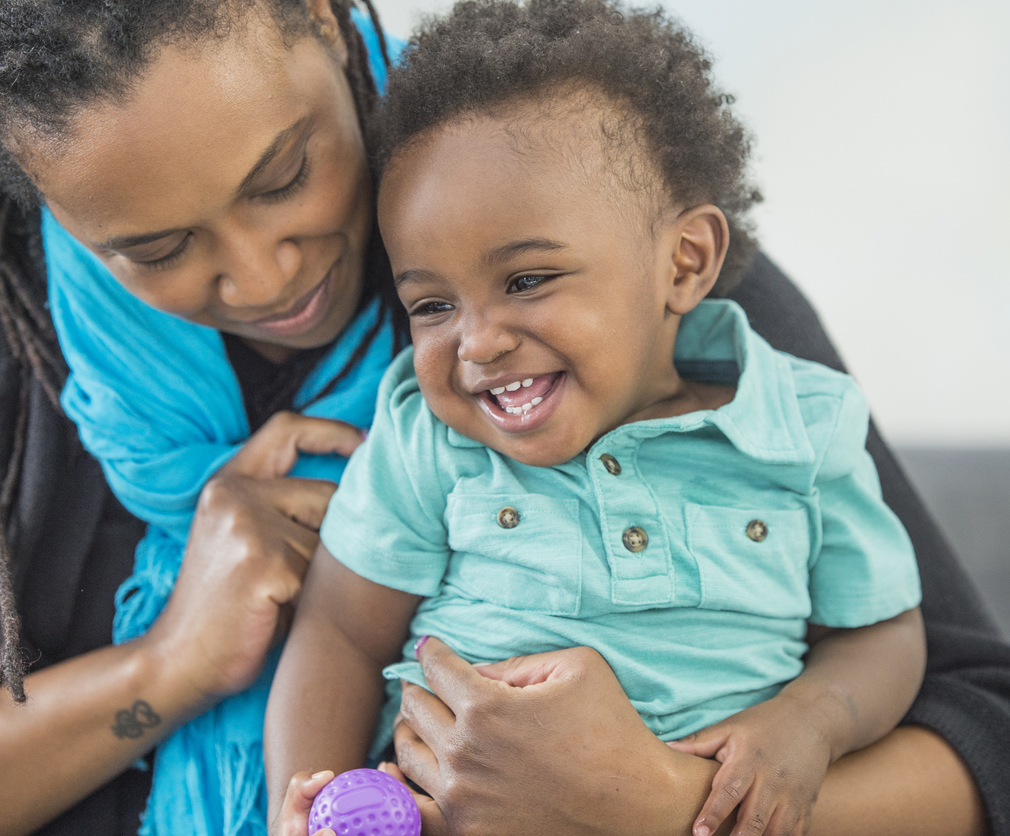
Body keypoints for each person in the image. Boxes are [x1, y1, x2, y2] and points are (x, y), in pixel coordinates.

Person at [0, 0, 1004, 835]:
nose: (264, 275)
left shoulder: (596, 222)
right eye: (156, 248)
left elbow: (975, 725)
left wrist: (660, 803)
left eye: (286, 171)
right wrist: (168, 665)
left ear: (318, 12)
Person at [264, 4, 925, 836]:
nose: (478, 342)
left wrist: (810, 723)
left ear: (683, 262)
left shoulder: (802, 428)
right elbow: (339, 635)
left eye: (527, 280)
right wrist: (308, 799)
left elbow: (883, 631)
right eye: (431, 304)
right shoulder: (429, 440)